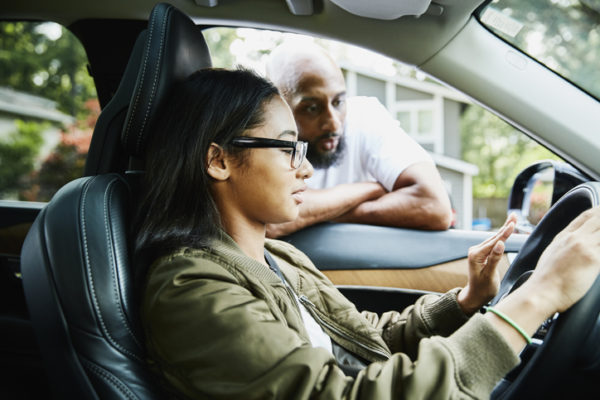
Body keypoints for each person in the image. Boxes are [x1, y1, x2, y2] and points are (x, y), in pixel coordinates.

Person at [134, 68, 600, 400]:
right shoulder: (191, 289)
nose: (307, 168)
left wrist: (467, 301)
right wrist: (536, 298)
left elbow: (360, 339)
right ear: (218, 160)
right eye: (288, 149)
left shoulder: (277, 256)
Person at [264, 43, 453, 238]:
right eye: (312, 108)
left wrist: (313, 213)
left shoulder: (366, 118)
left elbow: (434, 206)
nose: (334, 123)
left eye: (338, 102)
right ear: (277, 109)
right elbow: (271, 222)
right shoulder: (260, 137)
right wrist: (371, 189)